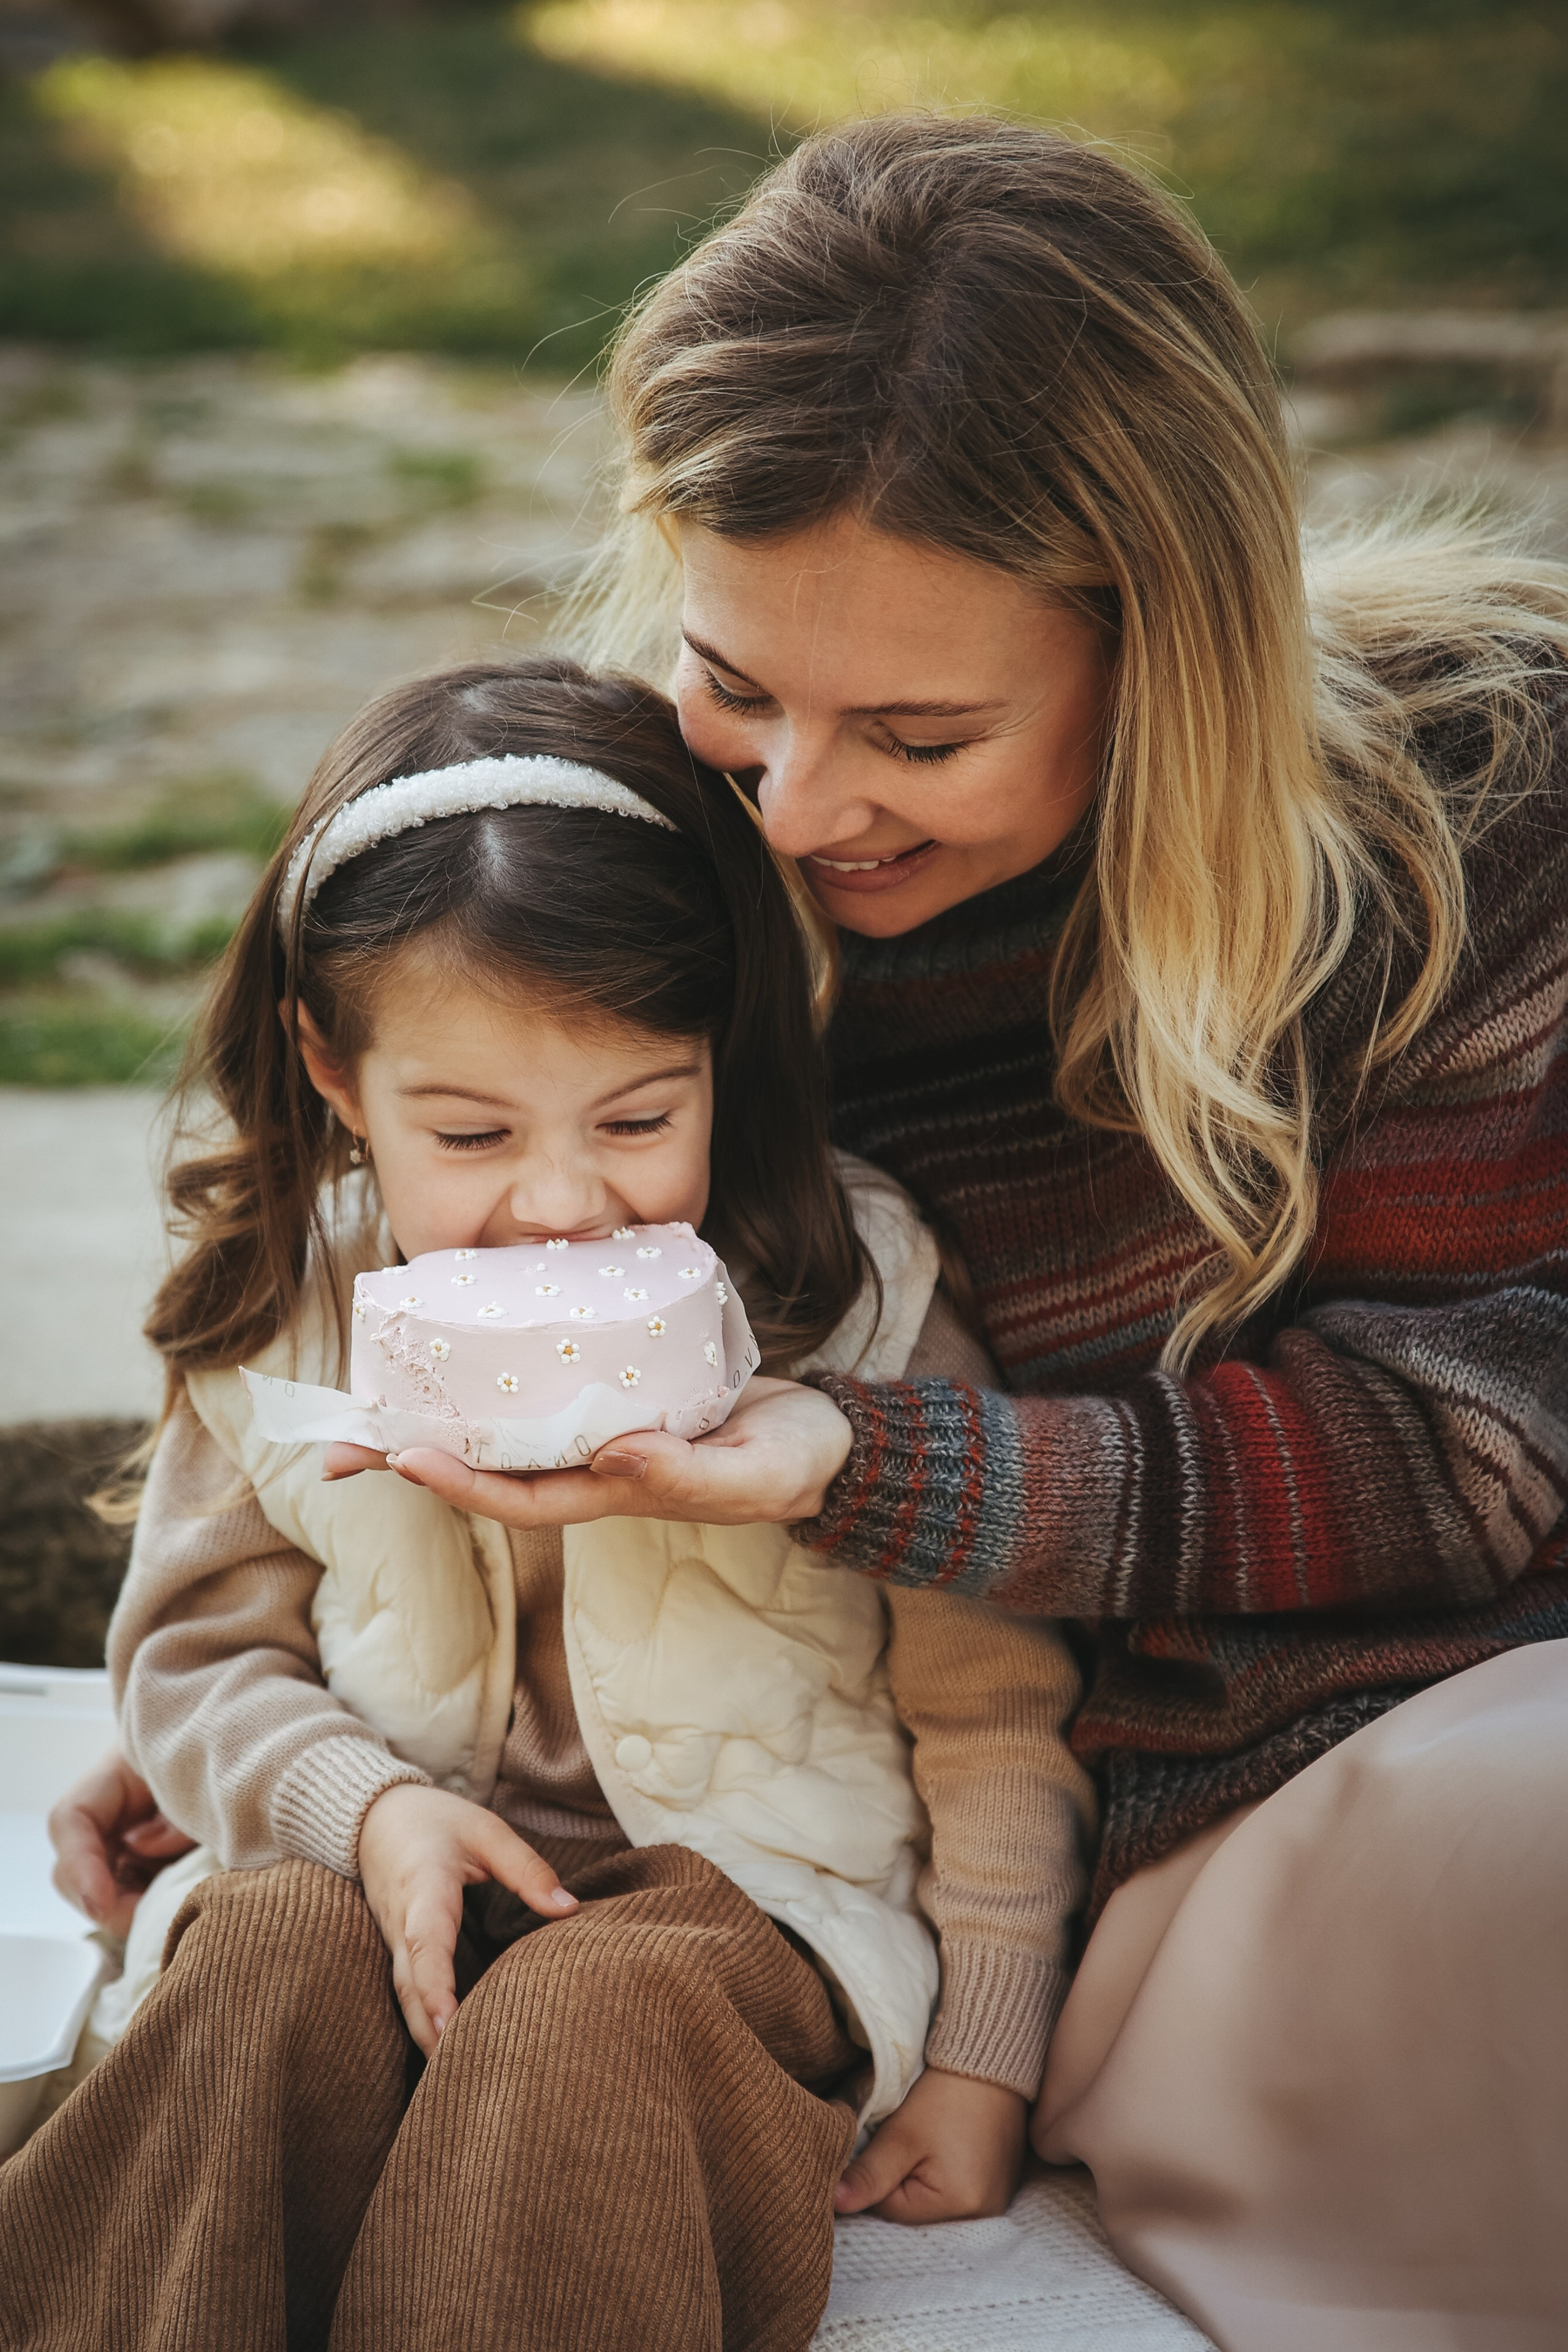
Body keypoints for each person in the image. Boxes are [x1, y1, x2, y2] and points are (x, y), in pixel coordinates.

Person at [309, 119, 1564, 2346]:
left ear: (1168, 652)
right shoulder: (680, 892)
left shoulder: (1481, 821)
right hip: (1080, 1785)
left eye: (918, 730)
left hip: (1417, 1706)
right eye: (737, 685)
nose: (795, 805)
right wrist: (303, 1681)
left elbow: (1481, 1455)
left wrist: (874, 1462)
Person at [4, 657, 1092, 2351]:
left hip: (745, 1908)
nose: (565, 1203)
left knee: (594, 2004)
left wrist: (985, 2059)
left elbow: (995, 1698)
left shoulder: (854, 1296)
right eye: (471, 1131)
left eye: (642, 1117)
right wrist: (363, 1809)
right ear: (333, 1072)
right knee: (267, 1950)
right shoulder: (275, 1305)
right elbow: (193, 1657)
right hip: (385, 1871)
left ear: (722, 1058)